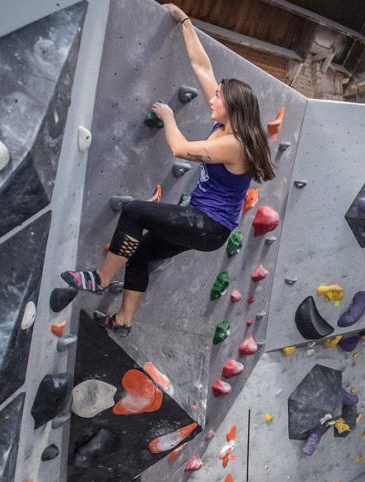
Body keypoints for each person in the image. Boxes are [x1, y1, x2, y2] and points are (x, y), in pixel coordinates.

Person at [60, 2, 275, 337]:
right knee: (141, 256)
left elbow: (180, 149)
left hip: (207, 226)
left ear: (231, 107)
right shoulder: (225, 126)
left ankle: (100, 279)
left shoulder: (235, 144)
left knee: (133, 212)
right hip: (203, 223)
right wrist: (185, 22)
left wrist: (169, 117)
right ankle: (122, 321)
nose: (212, 99)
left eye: (218, 97)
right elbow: (202, 67)